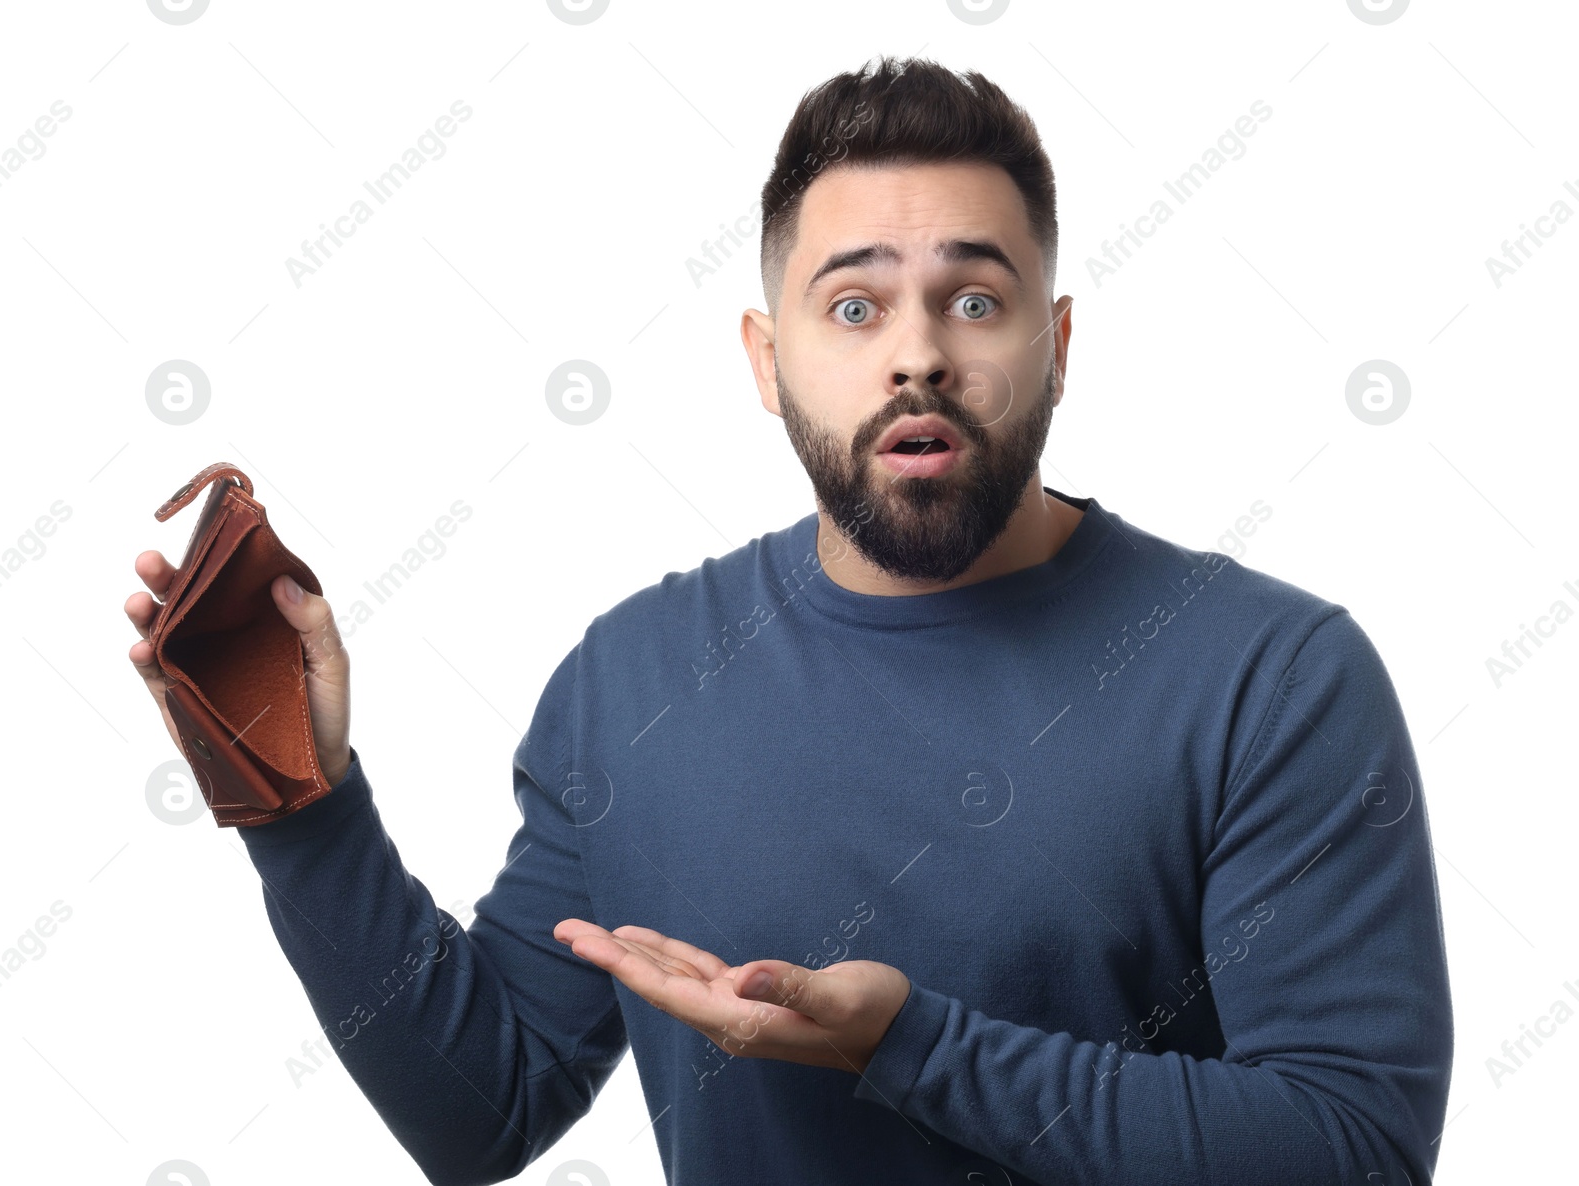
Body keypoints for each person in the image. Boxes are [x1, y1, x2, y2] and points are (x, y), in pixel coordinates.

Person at [126, 57, 1452, 1186]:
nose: (916, 351)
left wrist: (909, 1046)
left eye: (973, 300)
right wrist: (299, 809)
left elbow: (1353, 1144)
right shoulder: (631, 680)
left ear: (1057, 344)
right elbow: (484, 1107)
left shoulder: (1273, 677)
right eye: (856, 304)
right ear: (768, 360)